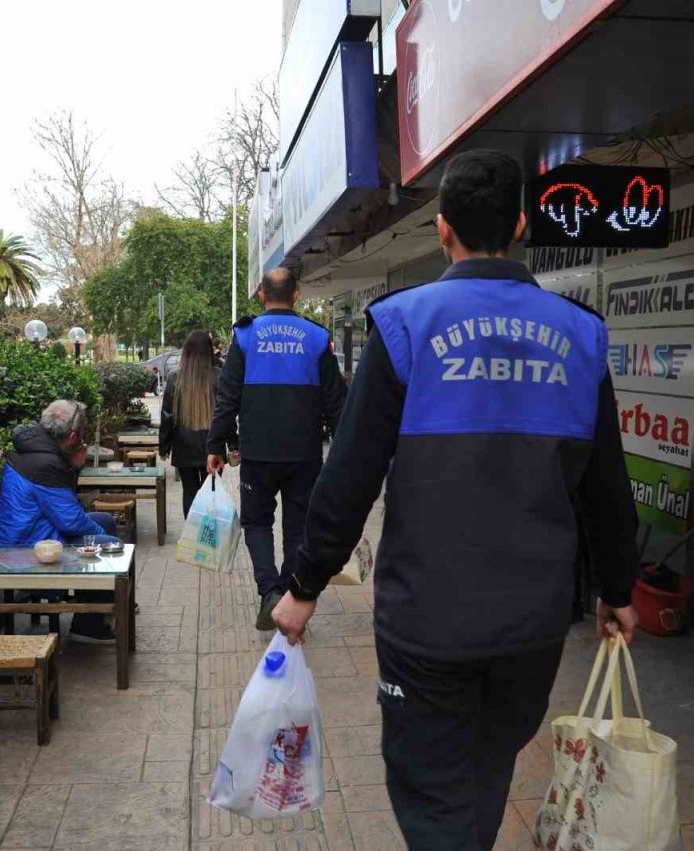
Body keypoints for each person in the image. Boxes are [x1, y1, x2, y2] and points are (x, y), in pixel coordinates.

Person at [271, 149, 641, 850]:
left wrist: (303, 585)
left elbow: (348, 477)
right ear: (522, 225)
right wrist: (619, 588)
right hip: (531, 628)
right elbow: (606, 485)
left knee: (434, 794)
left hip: (426, 627)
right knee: (486, 769)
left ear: (442, 229)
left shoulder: (404, 326)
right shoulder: (581, 335)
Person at [207, 267, 347, 630]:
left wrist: (216, 444)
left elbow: (227, 397)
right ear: (296, 295)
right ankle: (285, 593)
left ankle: (269, 591)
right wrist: (346, 454)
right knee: (298, 528)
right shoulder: (317, 337)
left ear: (261, 295)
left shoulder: (245, 337)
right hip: (305, 455)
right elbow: (336, 404)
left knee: (257, 522)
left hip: (258, 454)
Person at [0, 399, 121, 642]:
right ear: (72, 436)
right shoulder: (46, 463)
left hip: (32, 531)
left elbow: (64, 505)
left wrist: (73, 467)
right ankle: (88, 625)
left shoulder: (35, 448)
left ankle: (105, 597)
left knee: (105, 521)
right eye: (82, 433)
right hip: (24, 547)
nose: (84, 439)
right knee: (111, 546)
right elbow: (71, 521)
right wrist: (100, 537)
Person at [160, 330, 234, 518]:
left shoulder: (175, 378)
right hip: (214, 446)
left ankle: (191, 532)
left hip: (184, 445)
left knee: (190, 492)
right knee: (211, 493)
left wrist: (164, 446)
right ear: (209, 351)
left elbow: (167, 415)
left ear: (186, 352)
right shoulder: (219, 376)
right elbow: (226, 414)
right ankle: (209, 533)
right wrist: (234, 444)